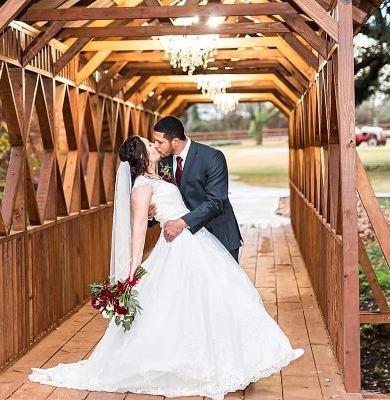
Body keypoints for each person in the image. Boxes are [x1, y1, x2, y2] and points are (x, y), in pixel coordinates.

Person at [28, 135, 304, 400]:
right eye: (150, 144)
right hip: (176, 247)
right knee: (186, 304)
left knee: (217, 298)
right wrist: (132, 271)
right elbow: (137, 231)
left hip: (195, 242)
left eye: (156, 141)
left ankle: (231, 358)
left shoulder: (157, 178)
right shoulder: (142, 187)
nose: (154, 145)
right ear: (141, 154)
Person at [150, 116, 243, 262]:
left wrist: (181, 223)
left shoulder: (212, 157)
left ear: (175, 141)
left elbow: (216, 202)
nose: (155, 145)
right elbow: (167, 199)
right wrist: (151, 214)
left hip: (218, 234)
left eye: (159, 142)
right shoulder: (162, 163)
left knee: (224, 284)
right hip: (186, 242)